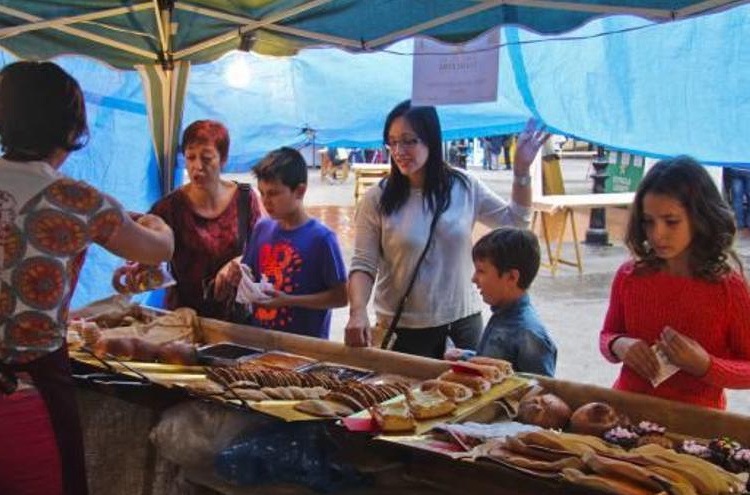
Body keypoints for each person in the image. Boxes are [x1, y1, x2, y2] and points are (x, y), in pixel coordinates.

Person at [0, 61, 174, 495]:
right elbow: (158, 249)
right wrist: (159, 224)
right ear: (72, 129)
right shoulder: (78, 200)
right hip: (19, 407)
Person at [345, 100, 547, 358]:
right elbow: (363, 263)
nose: (399, 151)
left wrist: (521, 171)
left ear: (431, 139)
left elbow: (516, 222)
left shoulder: (464, 186)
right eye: (392, 142)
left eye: (409, 141)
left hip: (462, 324)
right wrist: (357, 311)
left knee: (468, 395)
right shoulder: (377, 198)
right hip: (403, 328)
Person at [600, 156, 750, 410]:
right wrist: (619, 345)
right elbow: (607, 335)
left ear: (700, 217)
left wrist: (706, 365)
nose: (657, 234)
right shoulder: (629, 276)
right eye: (649, 222)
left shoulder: (730, 288)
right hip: (626, 412)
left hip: (696, 425)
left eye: (671, 222)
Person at [150, 120, 263, 319]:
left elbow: (261, 249)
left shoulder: (245, 199)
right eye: (190, 158)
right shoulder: (169, 207)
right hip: (185, 319)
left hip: (237, 319)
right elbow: (147, 253)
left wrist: (238, 263)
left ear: (224, 159)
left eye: (207, 158)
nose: (197, 167)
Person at [241, 147, 348, 339]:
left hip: (304, 350)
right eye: (262, 193)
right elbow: (249, 274)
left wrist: (290, 300)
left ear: (299, 191)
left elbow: (341, 297)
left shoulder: (322, 239)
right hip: (261, 343)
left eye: (273, 193)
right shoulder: (261, 228)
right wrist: (238, 277)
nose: (266, 201)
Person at [446, 227, 556, 376]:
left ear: (511, 277)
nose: (474, 279)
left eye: (481, 271)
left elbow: (539, 389)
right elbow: (498, 363)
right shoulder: (501, 312)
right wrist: (466, 357)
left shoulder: (530, 335)